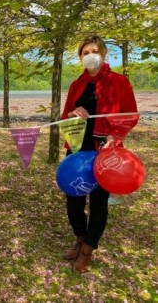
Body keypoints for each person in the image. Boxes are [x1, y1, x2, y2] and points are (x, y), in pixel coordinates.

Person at [60, 35, 137, 274]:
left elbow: (130, 115)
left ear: (103, 53)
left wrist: (115, 138)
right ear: (80, 57)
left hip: (104, 150)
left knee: (98, 202)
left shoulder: (118, 82)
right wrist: (74, 114)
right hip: (77, 149)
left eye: (94, 50)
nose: (90, 55)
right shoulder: (76, 84)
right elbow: (64, 118)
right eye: (85, 52)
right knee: (73, 199)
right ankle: (80, 238)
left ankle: (88, 250)